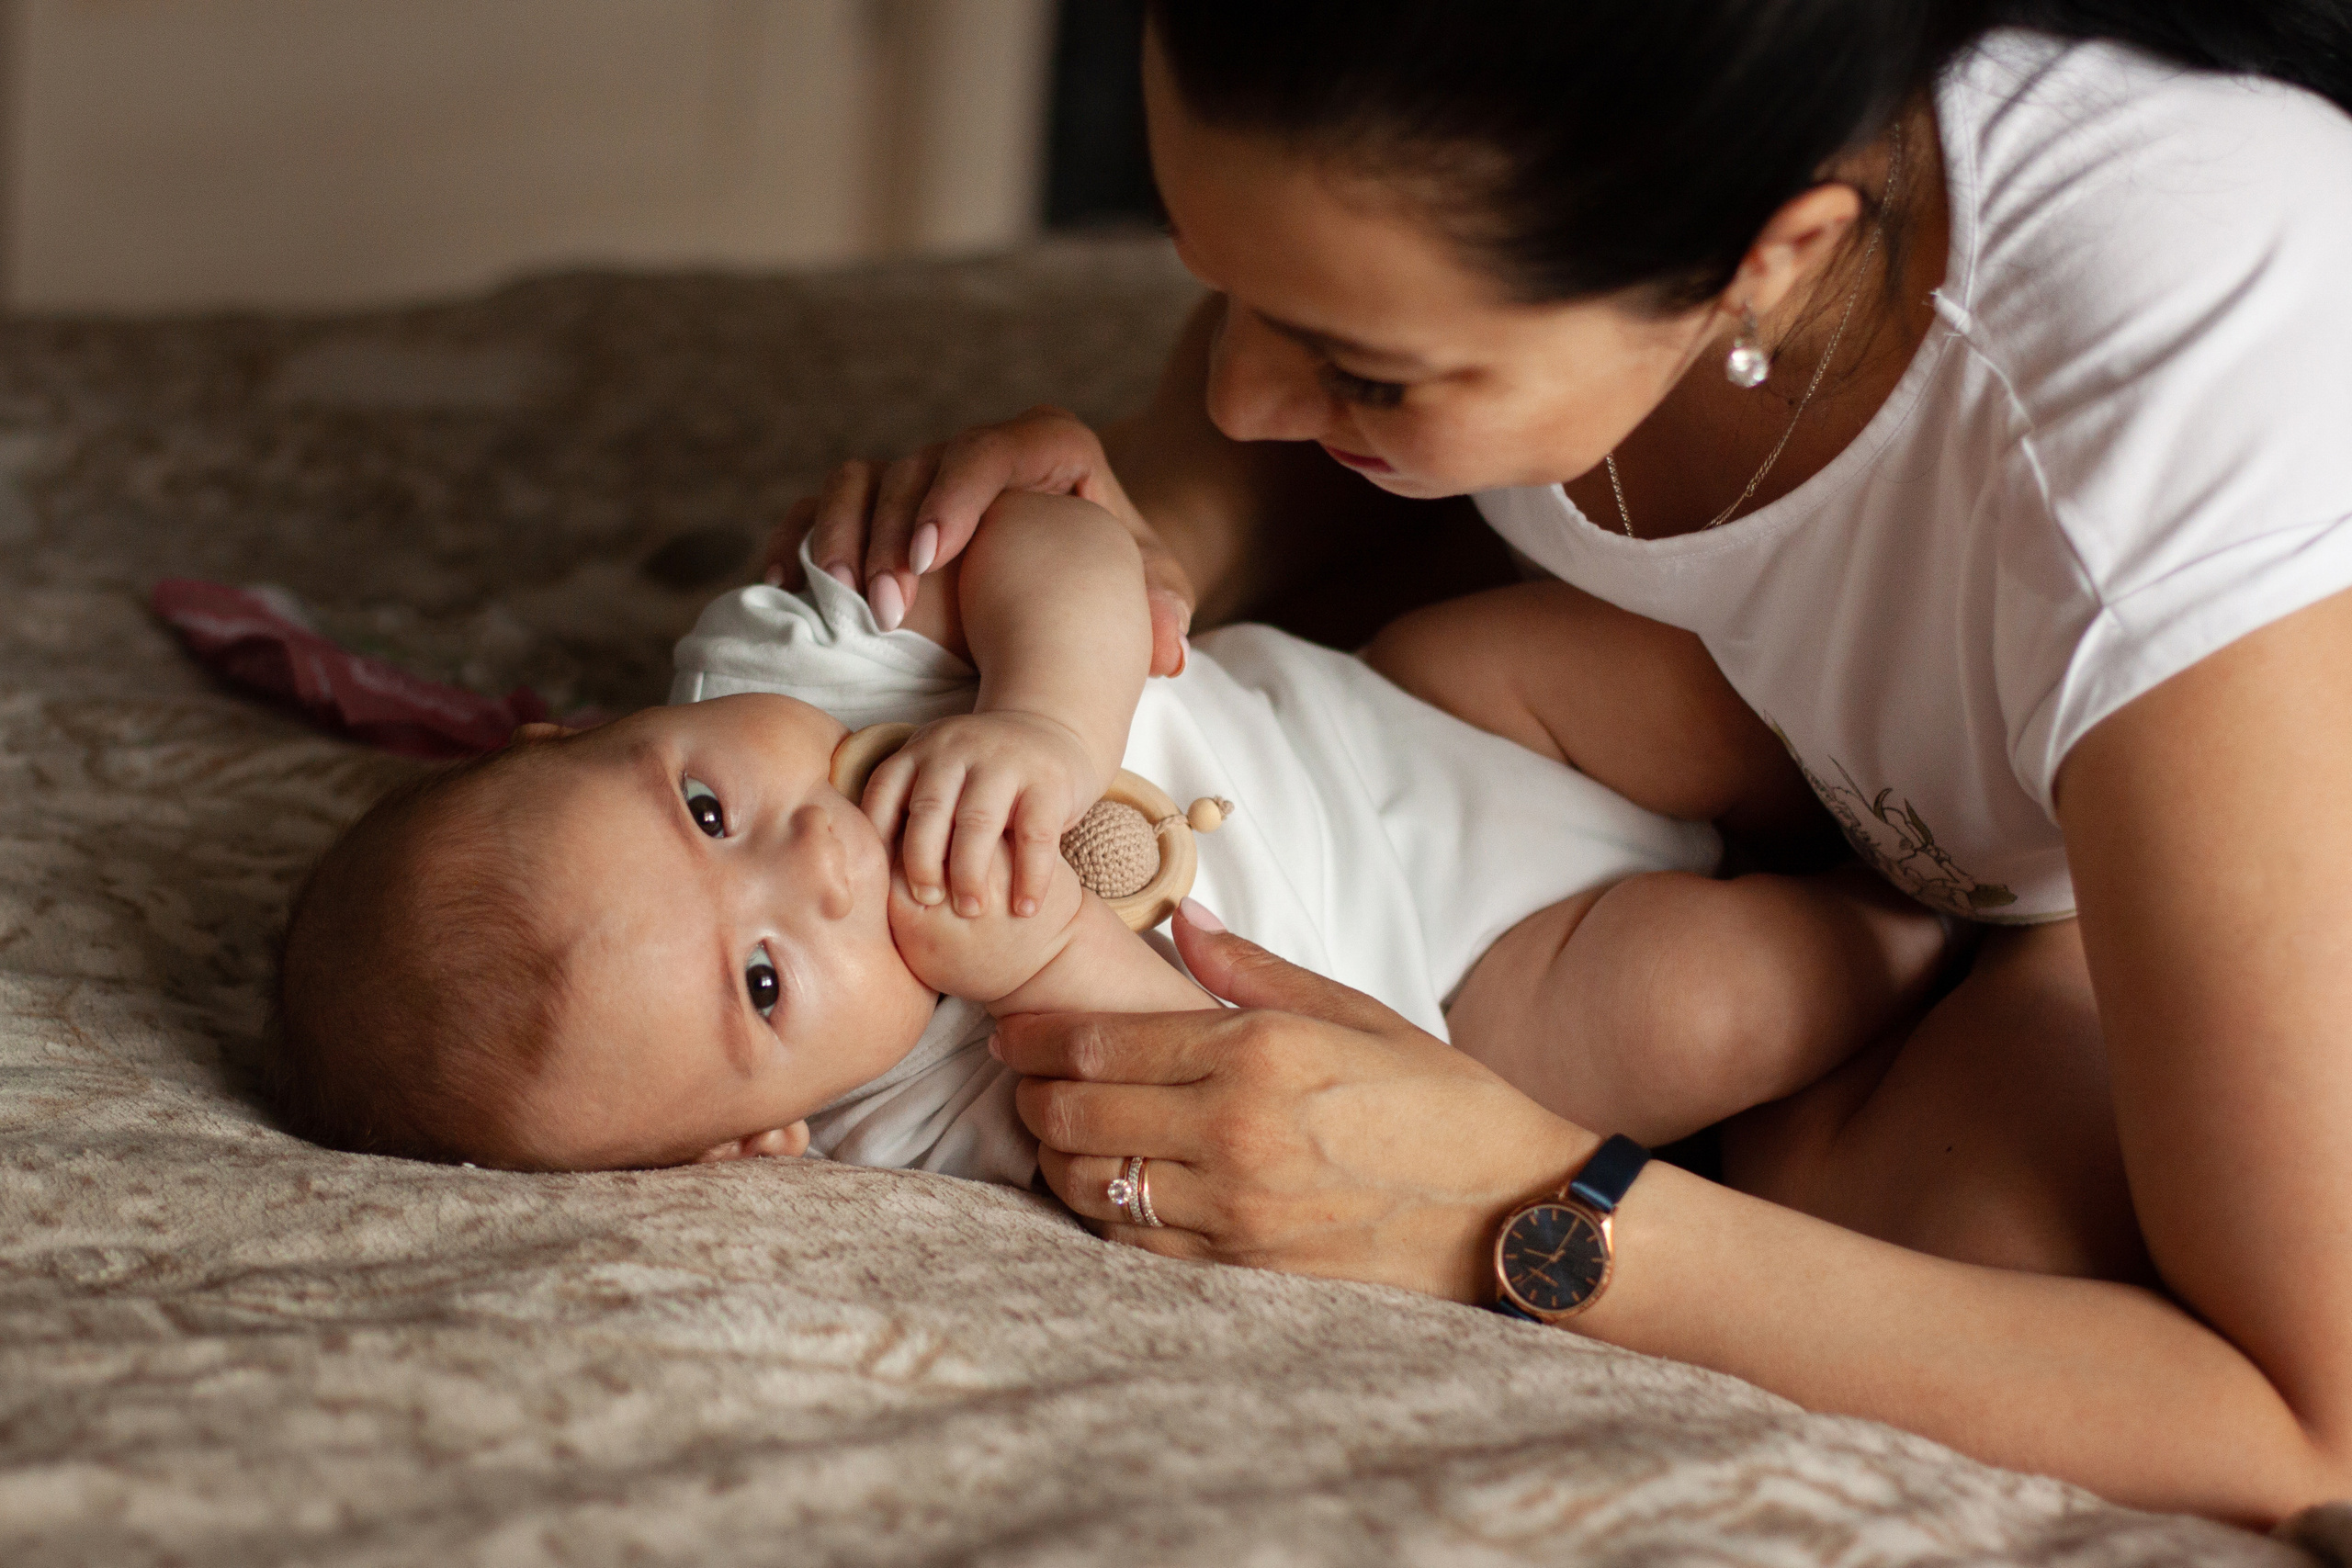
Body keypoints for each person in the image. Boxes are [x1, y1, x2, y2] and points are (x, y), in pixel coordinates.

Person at [763, 0, 2352, 1523]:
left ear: (1769, 261)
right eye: (1219, 277)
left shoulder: (2182, 429)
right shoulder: (1611, 152)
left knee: (1954, 1242)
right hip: (1856, 788)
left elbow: (2308, 1431)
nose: (1246, 397)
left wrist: (1517, 1207)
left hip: (2178, 824)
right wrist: (1150, 548)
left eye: (1362, 370)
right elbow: (1271, 368)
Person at [273, 490, 1935, 1178]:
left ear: (605, 725)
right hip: (1468, 983)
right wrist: (1056, 962)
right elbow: (1213, 1106)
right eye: (768, 984)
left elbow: (1055, 532)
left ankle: (1938, 779)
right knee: (1724, 1005)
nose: (823, 861)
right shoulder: (907, 1132)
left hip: (1414, 727)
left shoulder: (794, 659)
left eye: (708, 809)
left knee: (1692, 682)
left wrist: (1044, 719)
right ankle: (1938, 920)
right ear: (749, 1146)